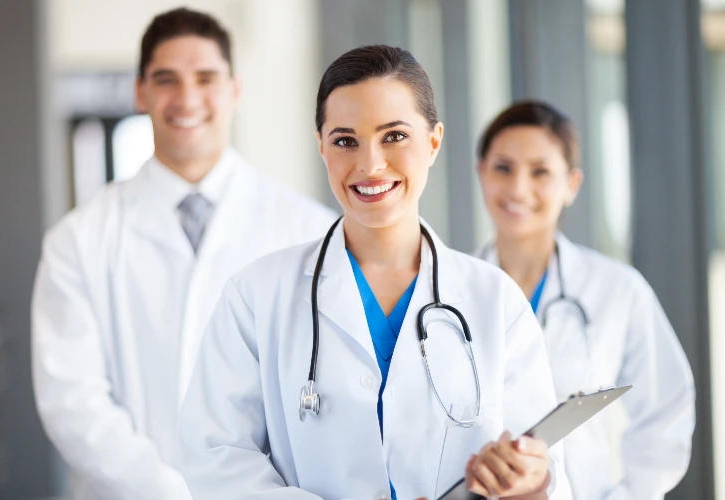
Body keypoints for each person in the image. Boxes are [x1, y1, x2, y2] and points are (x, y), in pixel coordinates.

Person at [177, 45, 572, 500]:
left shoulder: (494, 300)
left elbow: (547, 472)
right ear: (321, 147)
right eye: (346, 140)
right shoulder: (257, 295)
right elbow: (216, 456)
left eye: (394, 136)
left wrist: (529, 480)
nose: (370, 165)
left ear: (433, 141)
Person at [31, 8, 336, 500]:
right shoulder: (79, 239)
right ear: (140, 92)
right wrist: (166, 491)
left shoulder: (309, 231)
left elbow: (326, 392)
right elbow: (73, 401)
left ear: (235, 90)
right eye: (166, 79)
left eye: (206, 78)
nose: (187, 98)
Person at [475, 100, 695, 499]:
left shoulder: (617, 289)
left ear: (572, 184)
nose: (518, 188)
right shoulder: (453, 294)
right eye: (503, 168)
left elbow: (666, 409)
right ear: (481, 173)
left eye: (540, 171)